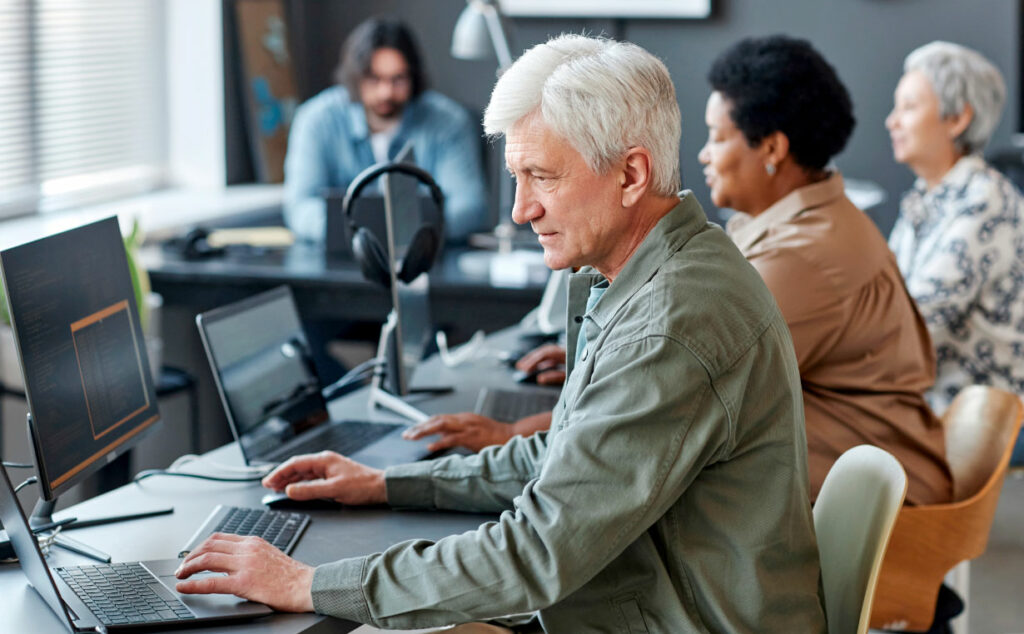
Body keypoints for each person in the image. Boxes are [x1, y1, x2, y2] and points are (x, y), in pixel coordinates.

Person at [175, 34, 827, 632]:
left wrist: (308, 582)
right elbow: (568, 459)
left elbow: (539, 552)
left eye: (542, 176)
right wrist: (386, 483)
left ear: (630, 175)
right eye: (517, 177)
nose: (519, 209)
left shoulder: (673, 320)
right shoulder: (650, 273)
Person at [697, 35, 952, 506]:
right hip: (849, 474)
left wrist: (524, 430)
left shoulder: (803, 255)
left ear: (771, 147)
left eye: (716, 137)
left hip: (873, 509)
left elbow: (690, 392)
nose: (703, 155)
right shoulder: (792, 224)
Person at [886, 41, 1024, 418]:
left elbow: (910, 326)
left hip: (980, 419)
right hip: (927, 405)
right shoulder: (925, 195)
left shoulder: (985, 201)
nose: (892, 121)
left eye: (909, 107)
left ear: (957, 119)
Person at [283, 17, 487, 243]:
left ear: (413, 77)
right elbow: (300, 206)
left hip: (423, 260)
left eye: (398, 79)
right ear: (355, 77)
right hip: (344, 262)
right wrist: (367, 233)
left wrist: (404, 234)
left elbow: (468, 206)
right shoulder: (316, 120)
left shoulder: (449, 122)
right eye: (374, 79)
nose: (385, 92)